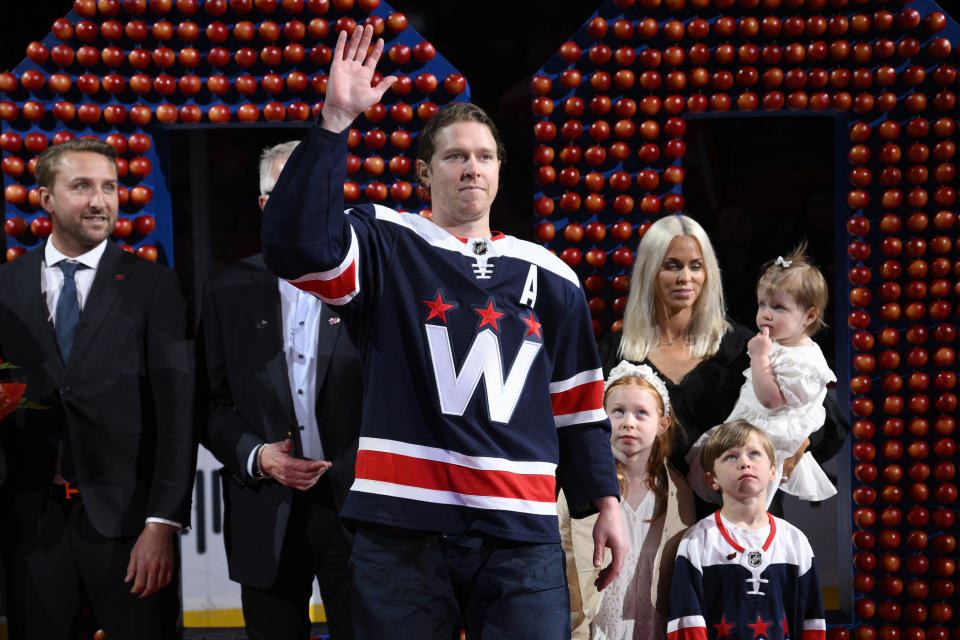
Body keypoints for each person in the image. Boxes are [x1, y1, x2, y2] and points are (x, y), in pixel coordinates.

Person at [261, 25, 626, 640]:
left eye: (484, 156)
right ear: (425, 174)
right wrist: (333, 121)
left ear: (500, 173)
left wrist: (605, 503)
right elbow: (297, 247)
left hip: (520, 534)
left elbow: (577, 405)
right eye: (455, 156)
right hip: (402, 531)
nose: (471, 168)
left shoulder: (552, 275)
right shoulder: (385, 241)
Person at [0, 138, 194, 638]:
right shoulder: (6, 286)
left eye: (109, 187)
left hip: (129, 526)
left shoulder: (154, 286)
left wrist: (162, 524)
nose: (99, 201)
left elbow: (177, 417)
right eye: (82, 186)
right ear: (45, 200)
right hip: (31, 526)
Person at [197, 140, 362, 639]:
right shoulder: (226, 289)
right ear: (267, 204)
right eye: (290, 190)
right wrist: (257, 456)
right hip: (263, 507)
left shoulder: (368, 285)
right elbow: (209, 403)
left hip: (357, 512)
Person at [598, 215, 847, 488]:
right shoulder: (615, 350)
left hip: (737, 518)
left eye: (696, 266)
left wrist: (799, 444)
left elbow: (830, 423)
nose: (685, 277)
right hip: (642, 517)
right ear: (649, 272)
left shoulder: (747, 347)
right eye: (672, 266)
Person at [686, 246, 837, 506]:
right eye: (762, 304)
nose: (766, 313)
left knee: (749, 501)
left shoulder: (801, 360)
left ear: (809, 316)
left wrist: (759, 358)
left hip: (770, 437)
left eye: (779, 307)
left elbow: (770, 400)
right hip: (750, 426)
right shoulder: (778, 344)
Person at [559, 361, 695, 639]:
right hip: (598, 620)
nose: (628, 423)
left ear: (662, 423)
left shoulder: (677, 491)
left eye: (641, 413)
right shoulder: (582, 488)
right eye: (618, 411)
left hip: (652, 620)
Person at [666, 420, 826, 640]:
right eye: (731, 456)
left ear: (773, 471)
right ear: (712, 479)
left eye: (754, 454)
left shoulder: (795, 542)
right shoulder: (697, 541)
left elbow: (812, 621)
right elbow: (686, 623)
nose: (745, 463)